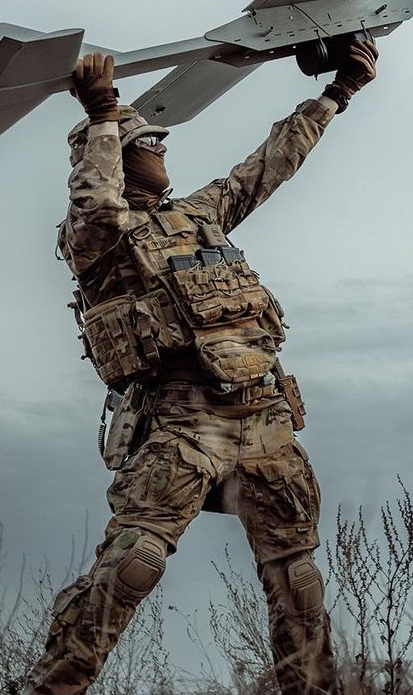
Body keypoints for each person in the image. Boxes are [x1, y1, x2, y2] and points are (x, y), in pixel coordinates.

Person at [25, 38, 378, 695]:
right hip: (183, 423)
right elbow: (95, 204)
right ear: (113, 157)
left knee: (297, 582)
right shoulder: (98, 240)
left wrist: (338, 93)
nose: (160, 148)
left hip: (264, 419)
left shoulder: (199, 215)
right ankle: (51, 686)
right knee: (134, 564)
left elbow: (270, 165)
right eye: (145, 142)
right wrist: (104, 116)